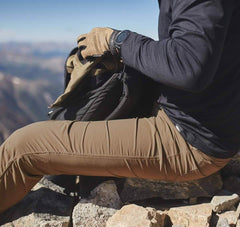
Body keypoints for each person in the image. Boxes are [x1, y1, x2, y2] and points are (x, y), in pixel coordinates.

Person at [0, 0, 240, 214]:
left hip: (189, 139)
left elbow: (189, 66)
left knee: (24, 148)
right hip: (200, 121)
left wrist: (118, 40)